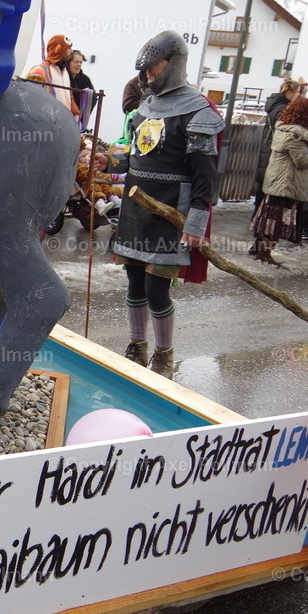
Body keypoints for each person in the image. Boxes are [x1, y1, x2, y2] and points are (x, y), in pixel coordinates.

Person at [104, 31, 224, 380]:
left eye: (152, 68)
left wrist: (196, 222)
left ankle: (164, 353)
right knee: (134, 284)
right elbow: (135, 154)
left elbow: (205, 175)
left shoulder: (198, 109)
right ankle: (136, 346)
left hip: (171, 211)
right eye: (143, 70)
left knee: (158, 290)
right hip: (136, 210)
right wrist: (107, 161)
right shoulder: (145, 106)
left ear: (172, 63)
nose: (146, 76)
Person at [249, 98, 308, 266]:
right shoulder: (295, 135)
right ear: (306, 115)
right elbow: (302, 161)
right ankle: (264, 254)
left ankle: (260, 252)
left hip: (279, 182)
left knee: (269, 221)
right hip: (286, 184)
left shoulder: (283, 129)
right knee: (275, 223)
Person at [253, 77, 305, 208]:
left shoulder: (275, 105)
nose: (299, 95)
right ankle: (260, 213)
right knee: (268, 179)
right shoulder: (283, 108)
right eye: (298, 91)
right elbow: (285, 130)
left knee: (265, 178)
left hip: (268, 143)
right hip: (273, 145)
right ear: (290, 91)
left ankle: (258, 211)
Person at [25, 34, 80, 119]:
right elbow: (30, 99)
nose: (71, 51)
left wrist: (76, 114)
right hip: (45, 124)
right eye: (68, 48)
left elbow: (70, 97)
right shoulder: (40, 70)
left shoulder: (65, 72)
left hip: (63, 125)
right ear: (59, 49)